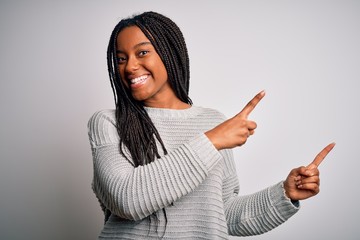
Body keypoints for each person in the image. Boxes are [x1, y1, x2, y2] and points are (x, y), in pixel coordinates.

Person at [87, 11, 335, 239]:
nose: (129, 67)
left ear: (170, 51)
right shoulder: (108, 123)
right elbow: (126, 200)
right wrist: (211, 141)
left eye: (142, 53)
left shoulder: (212, 122)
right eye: (121, 58)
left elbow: (224, 214)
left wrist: (284, 193)